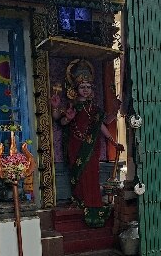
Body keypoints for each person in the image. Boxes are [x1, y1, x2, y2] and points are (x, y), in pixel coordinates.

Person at [51, 80, 123, 227]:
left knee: (91, 173)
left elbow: (104, 124)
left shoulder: (95, 109)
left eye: (88, 87)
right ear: (76, 89)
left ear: (92, 89)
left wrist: (114, 142)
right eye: (82, 87)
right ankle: (80, 201)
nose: (85, 90)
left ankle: (93, 203)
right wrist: (60, 111)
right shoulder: (72, 106)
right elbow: (61, 122)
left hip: (91, 146)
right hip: (75, 145)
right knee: (78, 173)